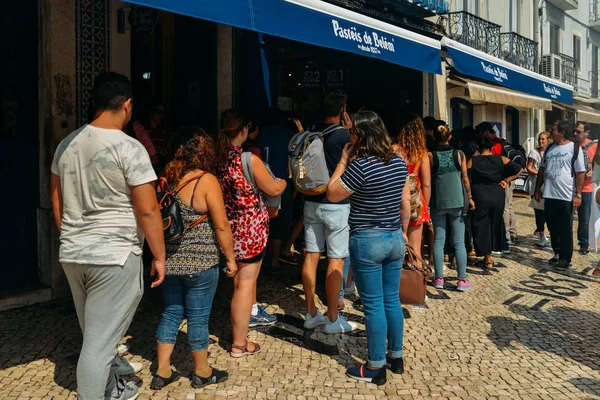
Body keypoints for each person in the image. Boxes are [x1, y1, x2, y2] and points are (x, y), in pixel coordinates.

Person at [50, 72, 166, 400]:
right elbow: (148, 211)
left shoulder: (66, 145)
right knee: (99, 346)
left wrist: (72, 237)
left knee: (96, 336)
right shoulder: (130, 149)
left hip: (74, 253)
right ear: (127, 105)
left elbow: (56, 199)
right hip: (114, 257)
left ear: (94, 104)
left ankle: (112, 387)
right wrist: (159, 255)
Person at [326, 110, 410, 385]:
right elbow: (402, 201)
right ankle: (395, 356)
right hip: (394, 236)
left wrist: (342, 161)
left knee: (373, 305)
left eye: (352, 133)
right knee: (391, 300)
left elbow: (332, 191)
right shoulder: (399, 162)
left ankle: (375, 367)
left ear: (359, 136)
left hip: (367, 240)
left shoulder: (360, 166)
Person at [151, 127, 237, 390]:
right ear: (205, 153)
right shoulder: (206, 180)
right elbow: (221, 226)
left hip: (171, 260)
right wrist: (231, 259)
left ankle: (163, 371)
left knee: (171, 312)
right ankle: (202, 371)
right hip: (201, 263)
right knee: (198, 318)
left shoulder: (166, 178)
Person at [216, 109, 286, 357]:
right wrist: (284, 181)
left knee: (238, 284)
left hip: (228, 227)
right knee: (245, 285)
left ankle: (238, 333)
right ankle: (239, 343)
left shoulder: (217, 158)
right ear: (244, 130)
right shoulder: (247, 159)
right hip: (251, 230)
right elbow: (274, 188)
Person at [301, 92, 357, 334]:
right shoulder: (345, 136)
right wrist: (351, 128)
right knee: (336, 260)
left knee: (311, 256)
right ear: (342, 109)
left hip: (310, 200)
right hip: (337, 205)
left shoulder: (310, 132)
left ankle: (311, 313)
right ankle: (333, 318)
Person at [534, 121, 586, 270]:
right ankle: (556, 252)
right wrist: (538, 189)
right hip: (550, 194)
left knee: (565, 228)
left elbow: (580, 173)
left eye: (554, 129)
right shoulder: (550, 148)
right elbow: (542, 170)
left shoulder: (574, 149)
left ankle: (565, 257)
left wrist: (578, 195)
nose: (551, 130)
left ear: (562, 132)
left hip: (565, 196)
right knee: (552, 226)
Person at [429, 124, 473, 292]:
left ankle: (439, 277)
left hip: (438, 201)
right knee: (459, 242)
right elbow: (465, 179)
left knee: (439, 241)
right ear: (449, 137)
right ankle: (462, 280)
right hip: (457, 201)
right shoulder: (459, 155)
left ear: (435, 138)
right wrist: (469, 198)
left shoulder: (430, 156)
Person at [469, 136, 522, 270]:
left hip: (479, 195)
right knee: (494, 224)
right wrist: (506, 180)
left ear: (478, 148)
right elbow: (519, 169)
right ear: (492, 147)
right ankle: (492, 253)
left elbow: (466, 178)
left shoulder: (473, 161)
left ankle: (486, 257)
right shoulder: (500, 159)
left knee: (481, 225)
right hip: (497, 195)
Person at [392, 115, 431, 267]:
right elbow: (426, 185)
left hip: (394, 201)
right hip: (416, 203)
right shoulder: (422, 154)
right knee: (415, 250)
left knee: (395, 251)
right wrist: (425, 207)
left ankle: (394, 287)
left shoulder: (393, 151)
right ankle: (416, 288)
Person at [573, 121, 597, 255]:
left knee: (584, 219)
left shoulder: (594, 146)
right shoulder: (570, 144)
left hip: (587, 188)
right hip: (569, 187)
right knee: (568, 218)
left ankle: (583, 244)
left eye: (579, 131)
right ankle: (565, 244)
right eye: (575, 131)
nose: (575, 134)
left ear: (587, 132)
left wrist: (593, 171)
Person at [526, 132, 551, 247]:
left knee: (547, 211)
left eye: (543, 139)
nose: (541, 141)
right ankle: (541, 234)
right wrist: (540, 174)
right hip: (536, 185)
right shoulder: (534, 153)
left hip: (548, 187)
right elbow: (529, 167)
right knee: (539, 212)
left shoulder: (550, 152)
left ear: (548, 140)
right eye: (539, 139)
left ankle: (541, 230)